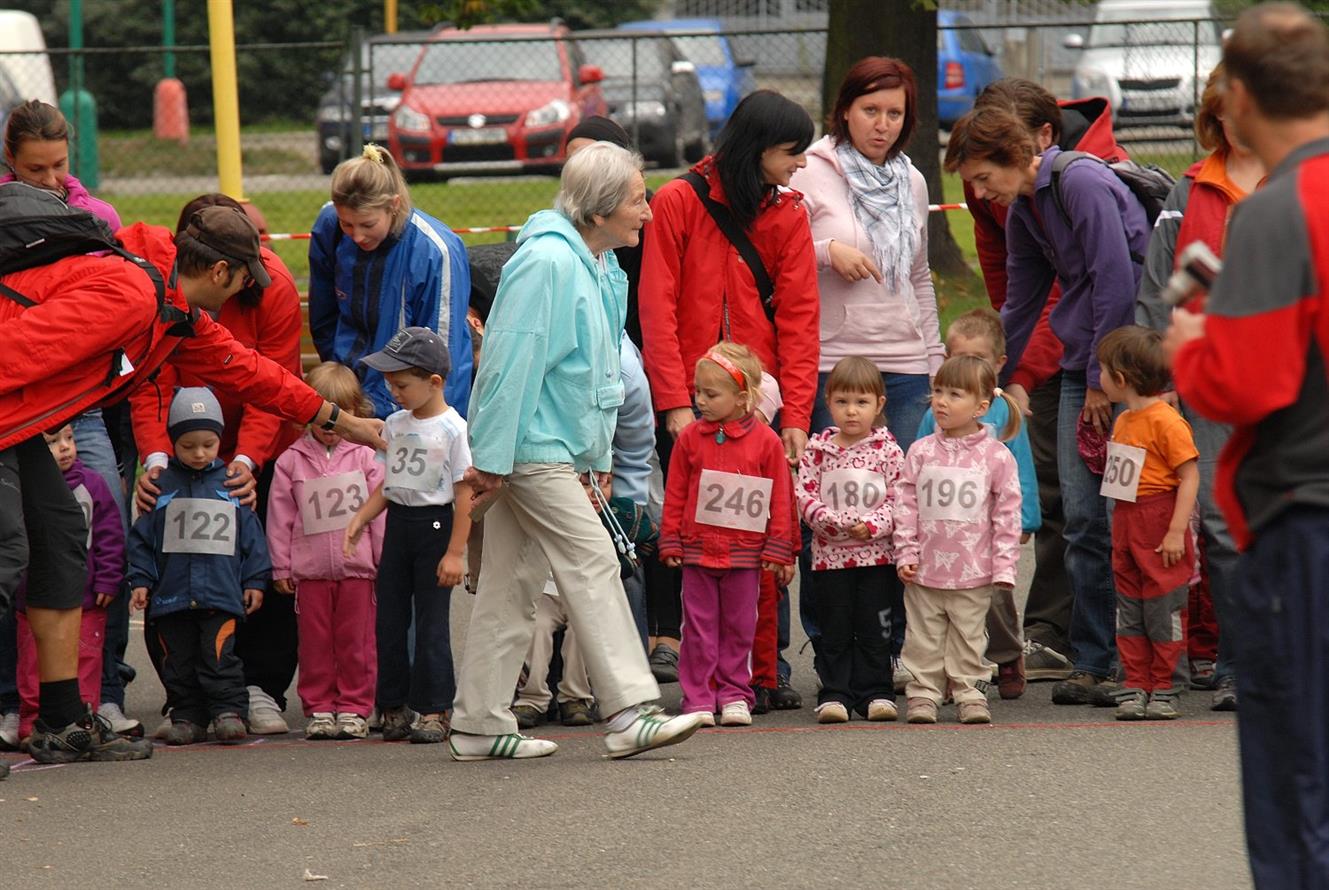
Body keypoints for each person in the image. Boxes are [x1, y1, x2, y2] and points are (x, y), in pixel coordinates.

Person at [0, 195, 385, 766]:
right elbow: (16, 350)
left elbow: (253, 373)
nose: (246, 293)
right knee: (8, 551)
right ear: (221, 271)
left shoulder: (171, 312)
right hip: (7, 415)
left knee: (59, 540)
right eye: (244, 282)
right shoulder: (130, 295)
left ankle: (61, 721)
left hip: (20, 423)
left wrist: (345, 422)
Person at [449, 142, 703, 761]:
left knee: (511, 582)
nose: (648, 211)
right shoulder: (549, 263)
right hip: (533, 450)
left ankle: (478, 724)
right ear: (598, 212)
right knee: (593, 561)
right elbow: (508, 362)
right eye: (637, 200)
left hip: (542, 449)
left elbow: (586, 376)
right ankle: (630, 711)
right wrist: (491, 459)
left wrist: (591, 458)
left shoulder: (594, 261)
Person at [1161, 5, 1329, 883]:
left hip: (1304, 520)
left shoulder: (1277, 209)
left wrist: (1192, 344)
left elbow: (1242, 386)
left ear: (1237, 99)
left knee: (1297, 779)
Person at [945, 106, 1151, 706]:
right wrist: (989, 379)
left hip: (1123, 376)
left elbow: (1115, 279)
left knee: (1124, 515)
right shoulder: (1023, 211)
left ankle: (1140, 661)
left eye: (984, 178)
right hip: (1081, 366)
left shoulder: (1079, 182)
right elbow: (1021, 301)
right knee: (1082, 518)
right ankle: (1092, 658)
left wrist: (1102, 378)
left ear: (1013, 156)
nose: (982, 193)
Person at [639, 89, 818, 711]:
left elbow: (800, 320)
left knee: (763, 535)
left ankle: (765, 671)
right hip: (693, 401)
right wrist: (673, 401)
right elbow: (656, 307)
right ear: (758, 148)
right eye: (792, 151)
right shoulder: (677, 200)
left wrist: (796, 415)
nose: (801, 162)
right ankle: (706, 678)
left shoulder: (789, 213)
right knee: (701, 545)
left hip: (758, 402)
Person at [789, 56, 941, 686]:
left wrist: (934, 362)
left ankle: (892, 651)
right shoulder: (811, 169)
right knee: (826, 513)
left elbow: (920, 276)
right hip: (832, 367)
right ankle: (831, 655)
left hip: (904, 368)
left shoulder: (913, 181)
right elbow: (781, 255)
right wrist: (829, 251)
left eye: (894, 113)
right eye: (870, 110)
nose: (882, 124)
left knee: (898, 514)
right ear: (845, 110)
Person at [132, 192, 305, 736]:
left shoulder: (271, 285)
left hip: (256, 438)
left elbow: (273, 382)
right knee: (172, 566)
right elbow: (151, 379)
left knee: (262, 560)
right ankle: (185, 695)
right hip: (181, 441)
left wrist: (249, 461)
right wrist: (157, 460)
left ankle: (259, 686)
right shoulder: (159, 288)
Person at [1, 98, 139, 737]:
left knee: (76, 530)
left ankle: (85, 701)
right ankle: (14, 699)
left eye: (59, 165)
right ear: (10, 160)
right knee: (10, 549)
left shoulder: (98, 219)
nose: (51, 179)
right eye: (36, 169)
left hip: (73, 408)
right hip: (16, 402)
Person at [1136, 63, 1263, 713]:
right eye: (1221, 115)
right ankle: (1239, 666)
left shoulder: (1303, 181)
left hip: (1291, 385)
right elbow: (1161, 289)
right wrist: (1159, 379)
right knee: (1220, 524)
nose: (1235, 126)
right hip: (1208, 383)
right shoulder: (1189, 190)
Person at [343, 327, 472, 745]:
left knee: (431, 623)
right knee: (390, 620)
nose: (393, 392)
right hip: (398, 527)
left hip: (434, 527)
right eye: (389, 383)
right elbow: (390, 482)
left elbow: (464, 494)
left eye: (401, 385)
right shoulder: (395, 425)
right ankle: (393, 704)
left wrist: (455, 552)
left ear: (434, 382)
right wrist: (362, 517)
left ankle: (435, 708)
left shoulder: (453, 429)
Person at [659, 343, 796, 727]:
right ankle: (698, 696)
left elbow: (780, 498)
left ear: (742, 397)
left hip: (745, 555)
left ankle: (736, 692)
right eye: (698, 392)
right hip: (698, 552)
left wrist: (779, 548)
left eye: (711, 394)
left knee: (740, 627)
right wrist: (671, 538)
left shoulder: (767, 442)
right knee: (698, 628)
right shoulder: (689, 439)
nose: (700, 401)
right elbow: (676, 491)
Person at [126, 388, 270, 746]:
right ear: (173, 442)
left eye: (208, 444)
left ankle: (229, 711)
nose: (199, 453)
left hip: (220, 594)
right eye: (188, 446)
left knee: (220, 656)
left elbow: (252, 537)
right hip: (171, 595)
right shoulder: (160, 487)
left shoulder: (231, 484)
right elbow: (142, 538)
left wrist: (255, 579)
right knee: (178, 661)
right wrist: (141, 579)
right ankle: (187, 714)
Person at [915, 309, 1041, 700]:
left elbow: (1020, 469)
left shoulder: (1003, 412)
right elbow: (916, 470)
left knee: (995, 598)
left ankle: (1006, 655)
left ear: (999, 364)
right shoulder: (935, 413)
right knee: (943, 602)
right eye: (959, 358)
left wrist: (1025, 519)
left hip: (985, 529)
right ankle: (947, 672)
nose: (968, 367)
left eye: (979, 359)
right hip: (942, 529)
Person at [893, 356, 1022, 725]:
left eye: (954, 394)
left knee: (969, 639)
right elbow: (905, 504)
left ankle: (970, 693)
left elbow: (1007, 514)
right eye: (938, 391)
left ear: (980, 407)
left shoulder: (996, 456)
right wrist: (906, 552)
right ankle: (923, 693)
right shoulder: (920, 451)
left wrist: (1004, 567)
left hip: (973, 572)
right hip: (925, 571)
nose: (942, 401)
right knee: (922, 639)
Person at [308, 144, 472, 420]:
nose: (357, 236)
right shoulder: (330, 227)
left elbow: (445, 354)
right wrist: (343, 388)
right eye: (347, 224)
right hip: (350, 398)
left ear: (393, 205)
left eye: (368, 225)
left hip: (407, 406)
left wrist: (433, 425)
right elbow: (323, 315)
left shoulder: (434, 251)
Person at [267, 363, 384, 741]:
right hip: (311, 572)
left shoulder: (366, 458)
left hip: (358, 570)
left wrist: (381, 559)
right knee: (314, 644)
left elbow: (380, 512)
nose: (330, 425)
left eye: (340, 414)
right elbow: (280, 517)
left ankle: (355, 706)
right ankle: (318, 707)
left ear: (355, 413)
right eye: (323, 415)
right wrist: (281, 566)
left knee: (357, 643)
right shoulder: (290, 460)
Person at [1094, 326, 1199, 722]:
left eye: (1103, 371)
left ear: (1122, 379)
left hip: (1158, 518)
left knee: (1163, 608)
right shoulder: (1124, 420)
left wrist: (1175, 530)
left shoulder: (1167, 421)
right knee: (1130, 608)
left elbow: (1189, 476)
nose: (1099, 378)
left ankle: (1166, 685)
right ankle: (1135, 682)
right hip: (1127, 518)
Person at [795, 356, 905, 723]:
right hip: (831, 559)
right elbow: (805, 496)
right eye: (842, 402)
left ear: (879, 404)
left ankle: (876, 691)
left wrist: (872, 525)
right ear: (828, 402)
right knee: (834, 626)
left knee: (875, 627)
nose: (852, 411)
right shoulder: (817, 451)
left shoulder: (889, 451)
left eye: (861, 402)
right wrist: (834, 522)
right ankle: (835, 693)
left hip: (877, 559)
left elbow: (900, 498)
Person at [12, 424, 123, 744]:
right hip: (29, 597)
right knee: (30, 663)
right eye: (54, 441)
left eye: (70, 438)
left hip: (84, 597)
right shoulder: (20, 484)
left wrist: (108, 578)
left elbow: (110, 537)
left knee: (85, 658)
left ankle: (73, 718)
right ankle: (32, 717)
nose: (65, 447)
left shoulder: (93, 484)